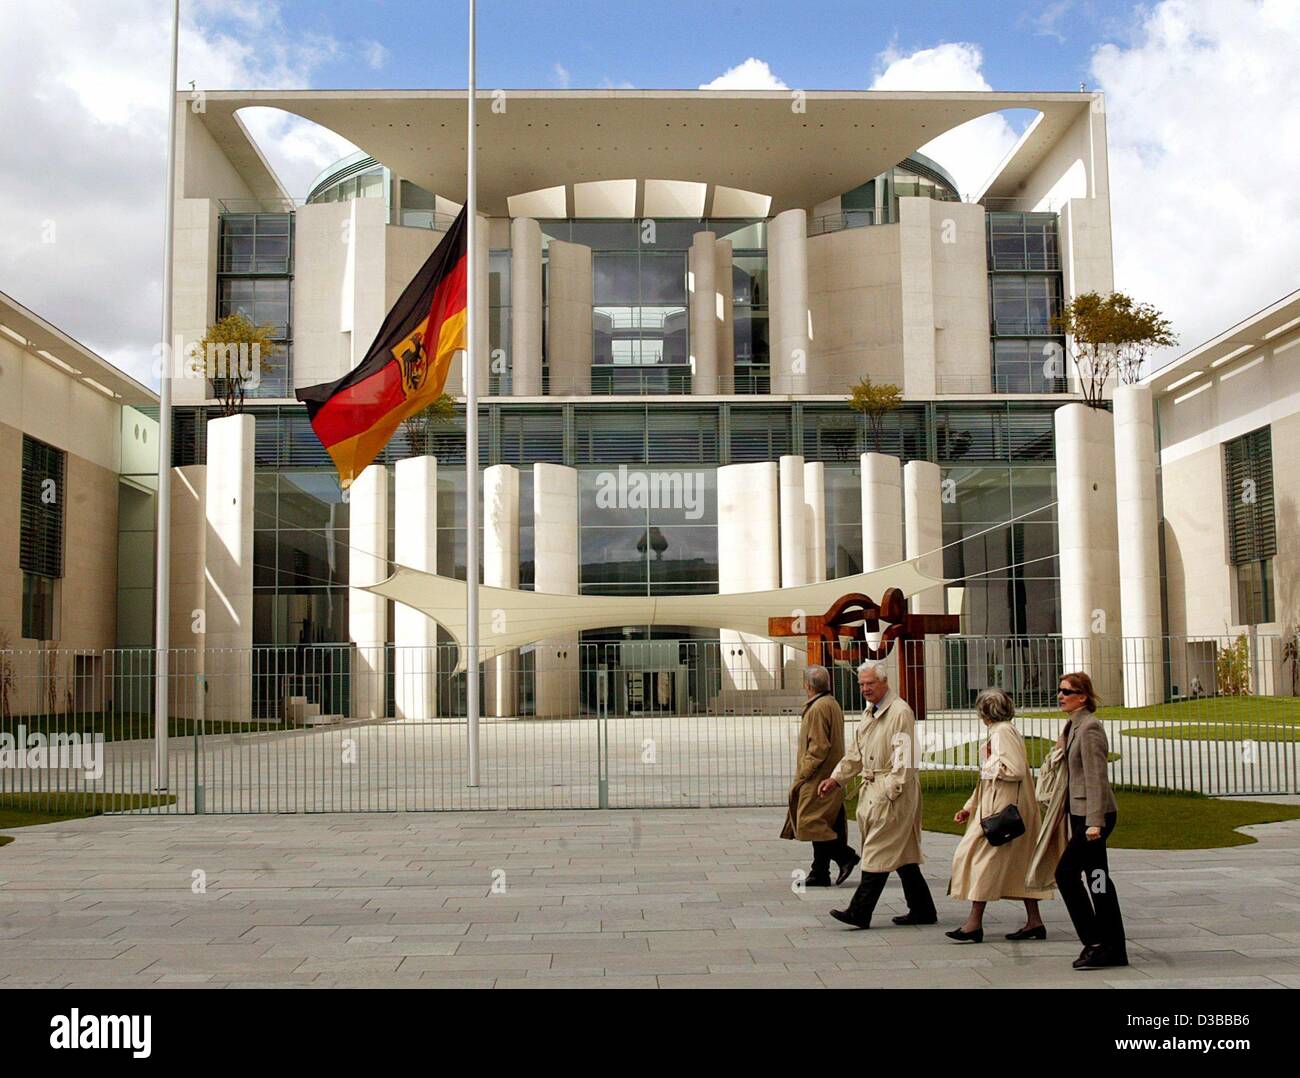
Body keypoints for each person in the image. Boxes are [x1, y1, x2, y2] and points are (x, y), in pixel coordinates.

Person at [818, 661, 936, 928]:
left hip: (892, 791)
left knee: (876, 850)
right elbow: (855, 753)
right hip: (874, 787)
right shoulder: (869, 712)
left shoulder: (900, 712)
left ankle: (860, 911)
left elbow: (906, 758)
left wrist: (891, 790)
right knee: (902, 854)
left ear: (884, 682)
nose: (865, 688)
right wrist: (836, 779)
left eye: (870, 683)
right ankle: (923, 909)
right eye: (861, 684)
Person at [946, 688, 1053, 943]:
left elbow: (1013, 769)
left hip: (1001, 810)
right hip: (1003, 806)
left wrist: (990, 769)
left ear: (983, 712)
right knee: (1019, 864)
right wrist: (970, 806)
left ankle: (974, 924)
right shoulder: (1003, 731)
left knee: (980, 860)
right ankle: (1034, 922)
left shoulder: (1002, 732)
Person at [1053, 670, 1128, 969]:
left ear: (1082, 696)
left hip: (1094, 818)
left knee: (1067, 874)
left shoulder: (1090, 728)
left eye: (1067, 692)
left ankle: (1097, 942)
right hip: (1081, 813)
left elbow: (1098, 778)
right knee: (1097, 879)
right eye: (1059, 690)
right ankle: (1110, 947)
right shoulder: (1073, 726)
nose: (1061, 696)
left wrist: (1095, 822)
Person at [781, 665, 859, 886]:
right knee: (825, 822)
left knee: (809, 822)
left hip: (818, 777)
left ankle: (845, 856)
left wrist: (803, 774)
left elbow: (818, 747)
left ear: (807, 685)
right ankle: (820, 872)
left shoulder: (817, 708)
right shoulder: (831, 703)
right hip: (830, 773)